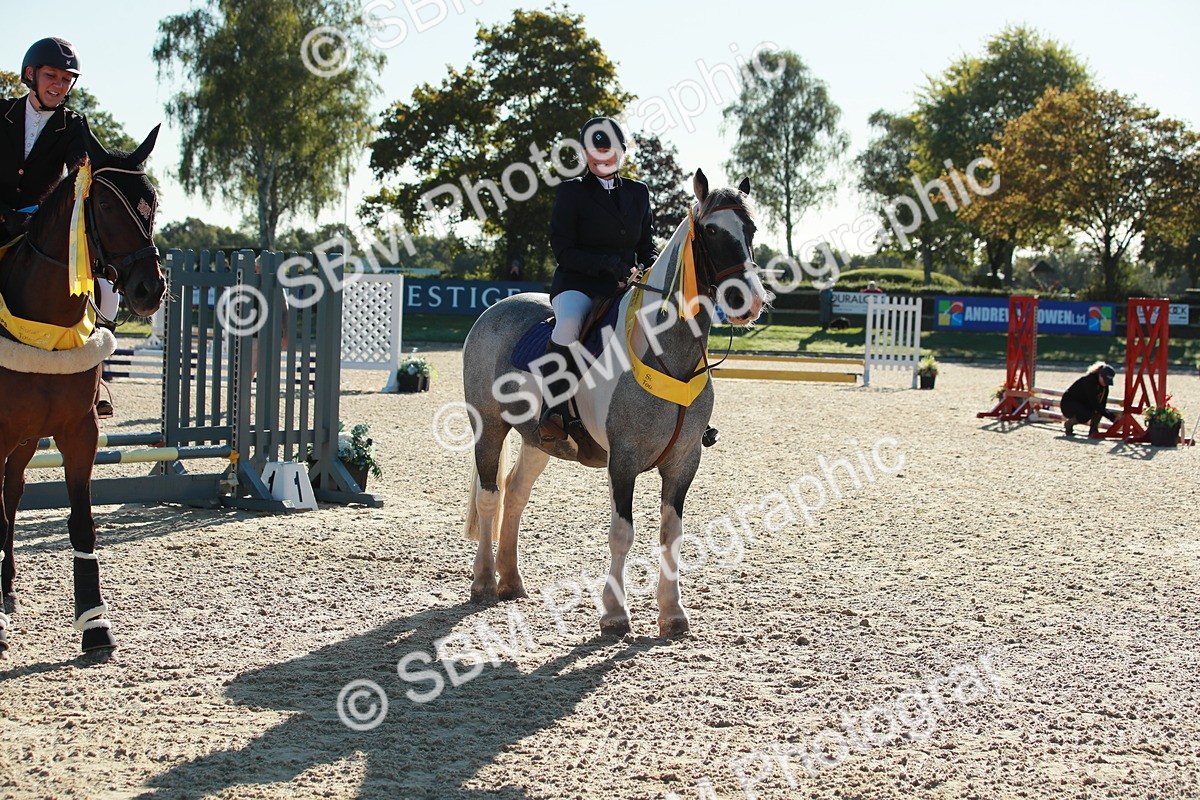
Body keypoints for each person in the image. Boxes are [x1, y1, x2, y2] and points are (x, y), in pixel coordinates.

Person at [1, 37, 118, 417]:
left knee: (103, 288)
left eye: (67, 79)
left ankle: (96, 378)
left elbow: (79, 173)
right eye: (52, 75)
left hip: (40, 226)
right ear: (31, 75)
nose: (59, 85)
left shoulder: (74, 125)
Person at [541, 117, 657, 444]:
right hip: (578, 284)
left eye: (609, 153)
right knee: (568, 327)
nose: (602, 160)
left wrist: (649, 266)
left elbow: (646, 245)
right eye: (595, 153)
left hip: (623, 286)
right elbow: (563, 249)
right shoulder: (572, 191)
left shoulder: (638, 192)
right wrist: (608, 265)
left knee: (663, 323)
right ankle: (552, 409)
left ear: (622, 152)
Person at [1060, 362, 1117, 437]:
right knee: (1086, 414)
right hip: (1068, 405)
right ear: (1099, 375)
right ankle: (1069, 424)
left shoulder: (1104, 386)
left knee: (1099, 410)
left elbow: (1102, 404)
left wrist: (1113, 418)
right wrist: (1112, 418)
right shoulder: (1089, 381)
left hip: (1083, 404)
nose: (1106, 383)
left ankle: (1093, 430)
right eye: (1105, 380)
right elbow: (1094, 403)